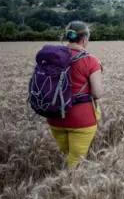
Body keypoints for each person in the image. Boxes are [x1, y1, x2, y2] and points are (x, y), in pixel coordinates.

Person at [47, 21, 104, 169]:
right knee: (76, 162)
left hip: (55, 117)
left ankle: (62, 184)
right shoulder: (90, 60)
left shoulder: (53, 57)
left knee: (69, 156)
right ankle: (71, 188)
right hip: (81, 120)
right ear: (84, 38)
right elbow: (97, 92)